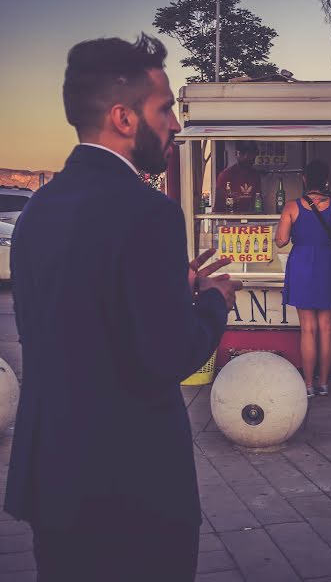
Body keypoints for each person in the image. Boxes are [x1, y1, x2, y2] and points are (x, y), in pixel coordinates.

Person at [3, 34, 242, 581]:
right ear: (123, 117)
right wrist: (210, 302)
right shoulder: (148, 212)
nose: (177, 126)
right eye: (166, 110)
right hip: (133, 486)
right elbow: (168, 355)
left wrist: (166, 285)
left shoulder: (38, 210)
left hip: (55, 479)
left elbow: (72, 313)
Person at [275, 160, 331, 398]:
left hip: (302, 265)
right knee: (326, 328)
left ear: (304, 179)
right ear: (326, 180)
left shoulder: (291, 207)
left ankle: (308, 385)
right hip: (327, 264)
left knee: (307, 329)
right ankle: (324, 384)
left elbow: (281, 240)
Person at [215, 140, 261, 213]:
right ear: (237, 154)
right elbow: (218, 207)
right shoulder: (225, 175)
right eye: (243, 153)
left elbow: (258, 202)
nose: (246, 157)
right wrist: (232, 201)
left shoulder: (255, 175)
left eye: (250, 154)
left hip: (251, 220)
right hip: (230, 220)